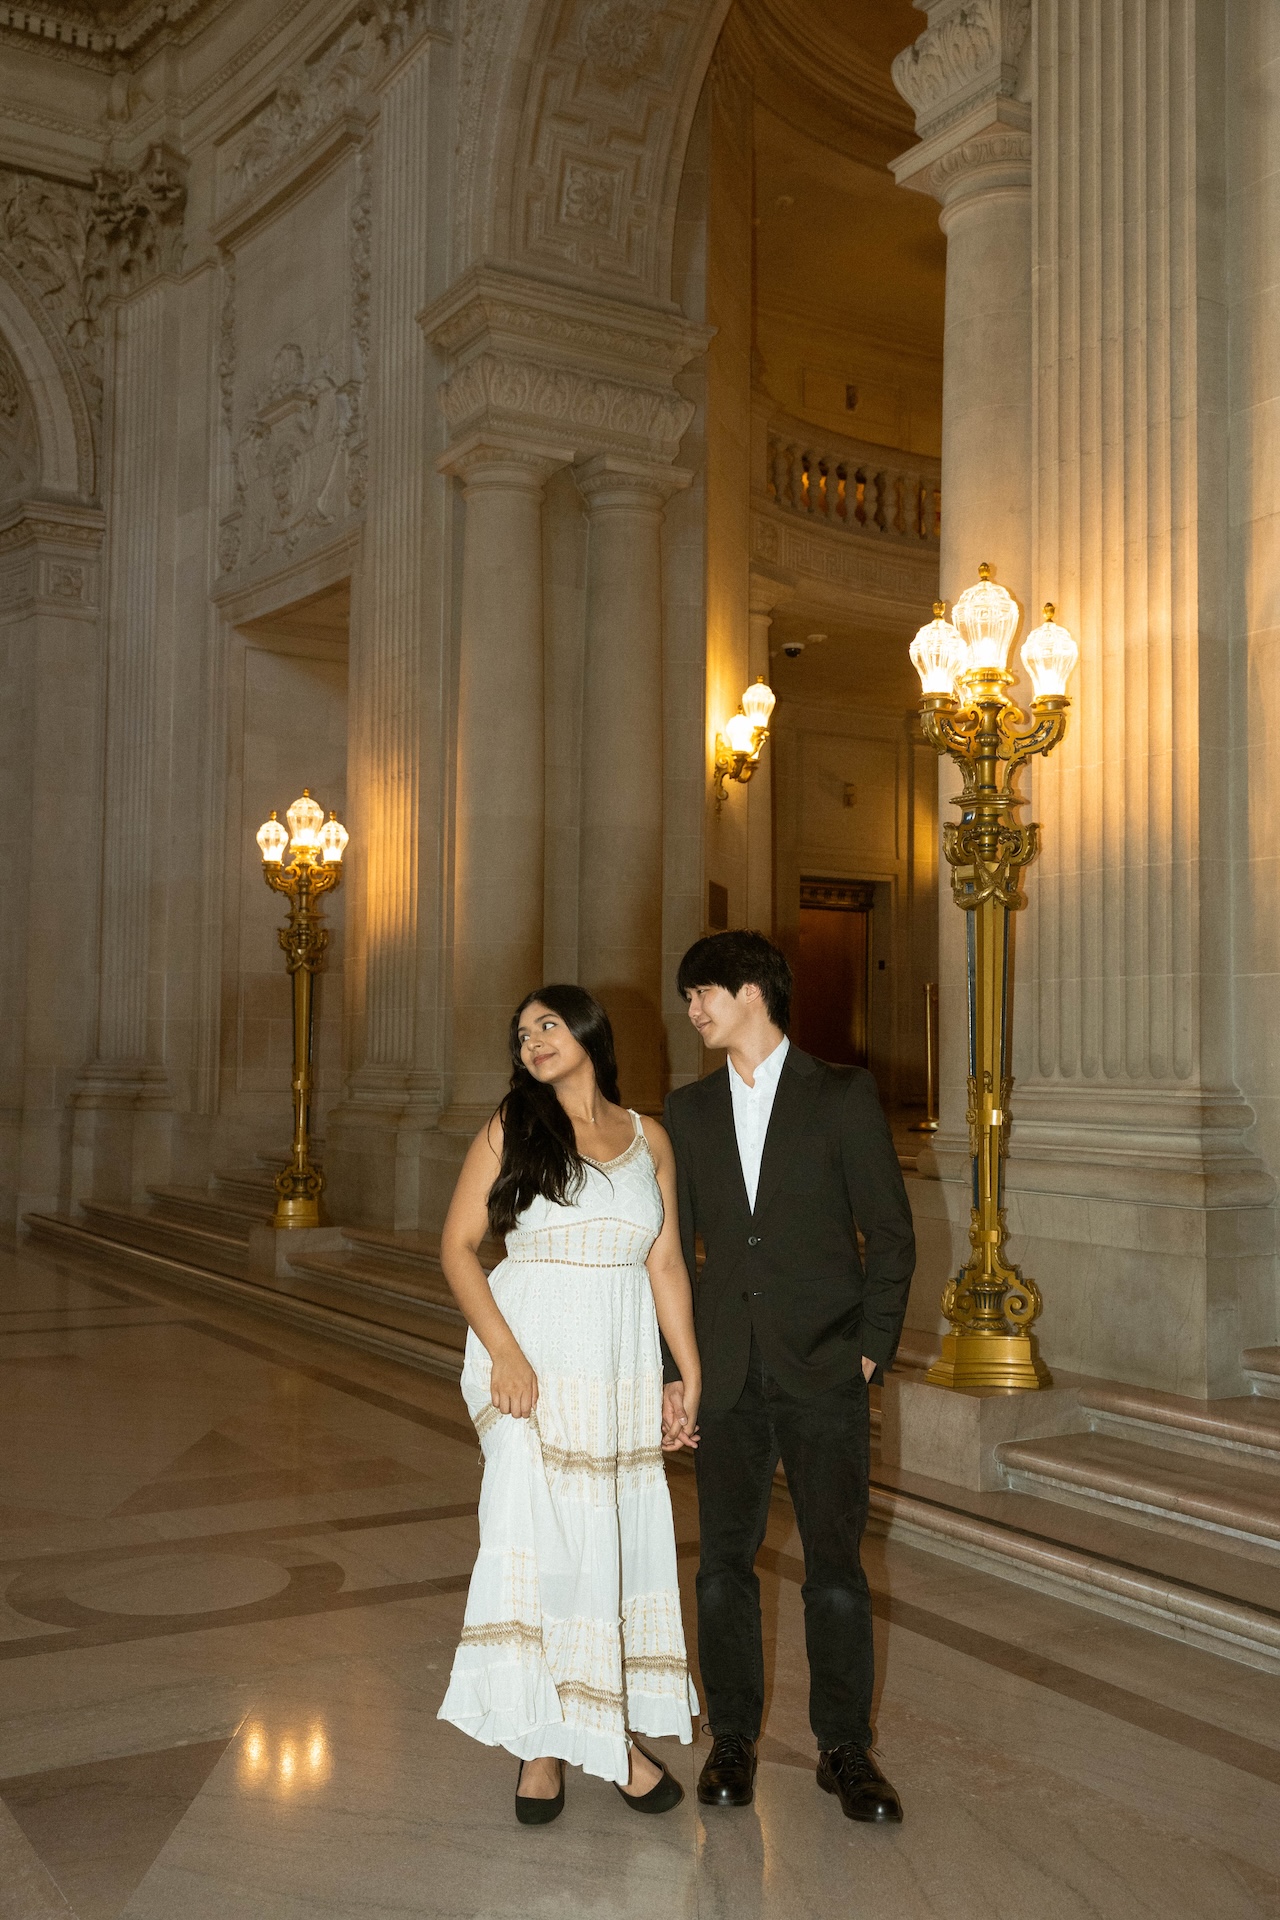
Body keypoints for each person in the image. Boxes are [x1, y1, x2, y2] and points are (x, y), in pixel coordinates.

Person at [661, 930, 915, 1823]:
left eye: (703, 993)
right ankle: (732, 1737)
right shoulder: (685, 1113)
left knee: (837, 1571)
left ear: (753, 993)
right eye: (688, 997)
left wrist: (871, 1346)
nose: (692, 1010)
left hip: (824, 1370)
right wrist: (673, 1373)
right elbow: (668, 1257)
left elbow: (889, 1234)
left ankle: (845, 1750)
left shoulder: (841, 1096)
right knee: (723, 1566)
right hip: (726, 1373)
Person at [437, 984, 702, 1825]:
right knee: (541, 1540)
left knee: (603, 1545)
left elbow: (664, 1265)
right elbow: (456, 1248)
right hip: (531, 1359)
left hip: (618, 1359)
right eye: (521, 1035)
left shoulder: (648, 1136)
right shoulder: (511, 1128)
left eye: (548, 1025)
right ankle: (561, 1748)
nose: (533, 1043)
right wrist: (507, 1355)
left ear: (589, 1031)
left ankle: (571, 1733)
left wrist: (683, 1373)